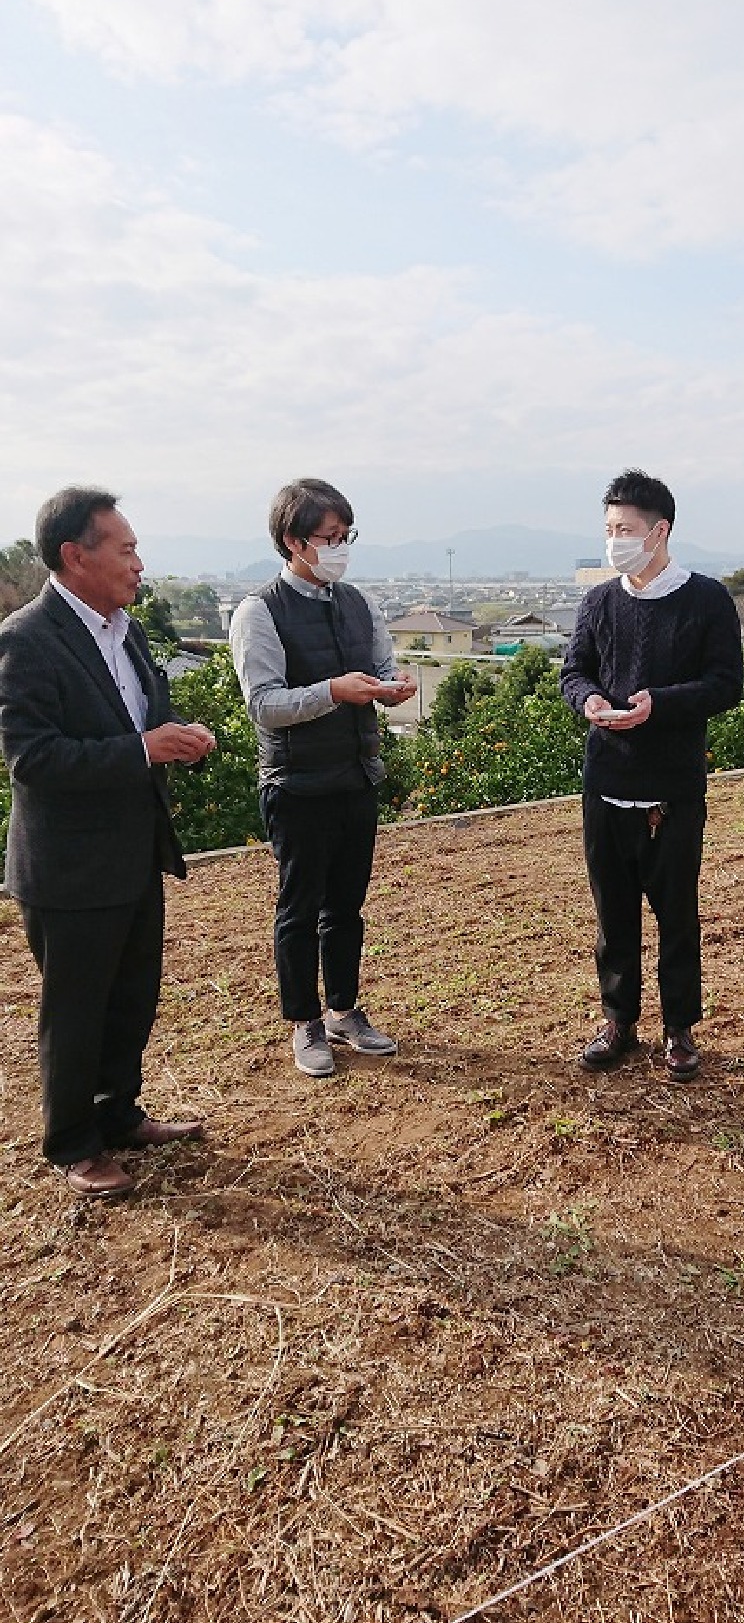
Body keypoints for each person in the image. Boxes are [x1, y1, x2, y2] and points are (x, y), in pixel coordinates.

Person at [0, 487, 216, 1198]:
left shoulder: (128, 631)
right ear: (75, 555)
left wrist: (176, 738)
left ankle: (119, 1114)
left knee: (132, 998)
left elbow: (142, 719)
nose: (137, 563)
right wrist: (141, 749)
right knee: (77, 1007)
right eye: (123, 550)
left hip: (132, 852)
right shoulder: (28, 640)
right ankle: (73, 1144)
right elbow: (33, 759)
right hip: (68, 868)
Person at [230, 478, 417, 1077]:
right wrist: (332, 692)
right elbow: (264, 703)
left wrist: (392, 688)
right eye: (328, 538)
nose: (339, 549)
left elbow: (383, 665)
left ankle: (343, 1008)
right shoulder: (260, 612)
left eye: (345, 537)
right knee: (299, 906)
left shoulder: (357, 603)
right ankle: (304, 1019)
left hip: (355, 775)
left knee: (347, 905)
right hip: (297, 783)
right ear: (293, 542)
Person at [560, 469, 744, 1078]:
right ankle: (619, 1021)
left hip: (672, 787)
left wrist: (656, 704)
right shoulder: (599, 600)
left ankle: (680, 1029)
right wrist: (587, 699)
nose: (615, 540)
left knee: (676, 913)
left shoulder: (706, 599)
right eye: (609, 528)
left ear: (660, 530)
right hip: (606, 782)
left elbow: (725, 684)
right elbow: (574, 671)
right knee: (613, 914)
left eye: (626, 529)